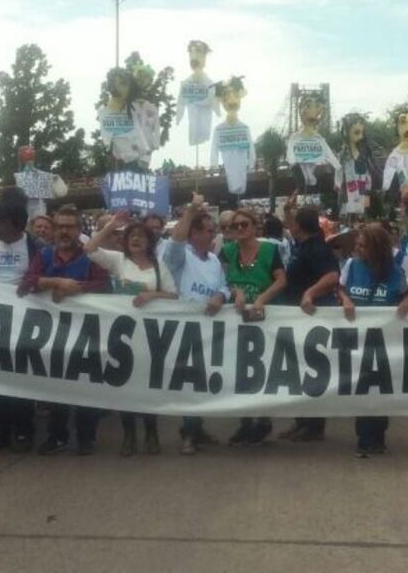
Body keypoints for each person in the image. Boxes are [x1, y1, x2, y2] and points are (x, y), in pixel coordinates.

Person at [19, 205, 111, 455]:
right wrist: (55, 282)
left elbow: (104, 286)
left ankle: (86, 437)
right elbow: (28, 281)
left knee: (86, 387)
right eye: (60, 226)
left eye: (69, 226)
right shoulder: (45, 255)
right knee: (56, 387)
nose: (64, 231)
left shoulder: (91, 257)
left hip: (86, 333)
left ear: (79, 229)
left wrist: (78, 289)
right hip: (54, 334)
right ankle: (57, 435)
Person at [86, 211, 177, 457]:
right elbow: (90, 248)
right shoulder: (118, 261)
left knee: (147, 388)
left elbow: (173, 294)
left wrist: (152, 295)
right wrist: (111, 226)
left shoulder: (160, 267)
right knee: (124, 387)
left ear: (150, 241)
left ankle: (151, 433)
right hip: (122, 336)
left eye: (141, 236)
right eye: (131, 236)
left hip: (149, 337)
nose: (136, 240)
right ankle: (129, 437)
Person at [163, 194, 230, 455]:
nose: (213, 234)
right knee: (189, 382)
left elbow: (223, 286)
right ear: (195, 234)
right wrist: (190, 211)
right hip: (185, 330)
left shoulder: (214, 260)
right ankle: (189, 432)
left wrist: (220, 296)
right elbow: (175, 241)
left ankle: (197, 428)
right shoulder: (181, 257)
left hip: (210, 330)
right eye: (209, 230)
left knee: (202, 382)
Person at [338, 224, 408, 457]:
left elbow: (406, 292)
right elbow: (339, 288)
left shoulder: (396, 271)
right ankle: (365, 437)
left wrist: (407, 301)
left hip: (384, 339)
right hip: (356, 338)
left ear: (376, 248)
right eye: (356, 245)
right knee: (362, 387)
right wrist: (345, 300)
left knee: (380, 388)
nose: (356, 250)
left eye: (362, 246)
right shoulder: (351, 265)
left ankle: (378, 434)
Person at [0, 200, 40, 452]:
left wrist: (33, 281)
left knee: (21, 375)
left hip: (25, 320)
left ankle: (24, 429)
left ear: (16, 225)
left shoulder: (36, 247)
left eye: (1, 222)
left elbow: (46, 272)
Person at [220, 209, 287, 446]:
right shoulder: (227, 251)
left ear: (255, 226)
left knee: (262, 369)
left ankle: (264, 419)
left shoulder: (269, 250)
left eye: (244, 224)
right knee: (239, 370)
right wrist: (235, 291)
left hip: (263, 316)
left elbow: (281, 279)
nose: (239, 229)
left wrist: (261, 299)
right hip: (235, 317)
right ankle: (245, 422)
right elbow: (220, 279)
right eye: (235, 225)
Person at [277, 203, 341, 442]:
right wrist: (288, 210)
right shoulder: (302, 244)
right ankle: (302, 421)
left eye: (293, 222)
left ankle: (313, 426)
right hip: (299, 318)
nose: (289, 226)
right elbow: (291, 225)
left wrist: (310, 293)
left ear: (300, 227)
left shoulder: (317, 248)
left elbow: (332, 276)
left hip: (312, 317)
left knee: (311, 371)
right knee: (299, 372)